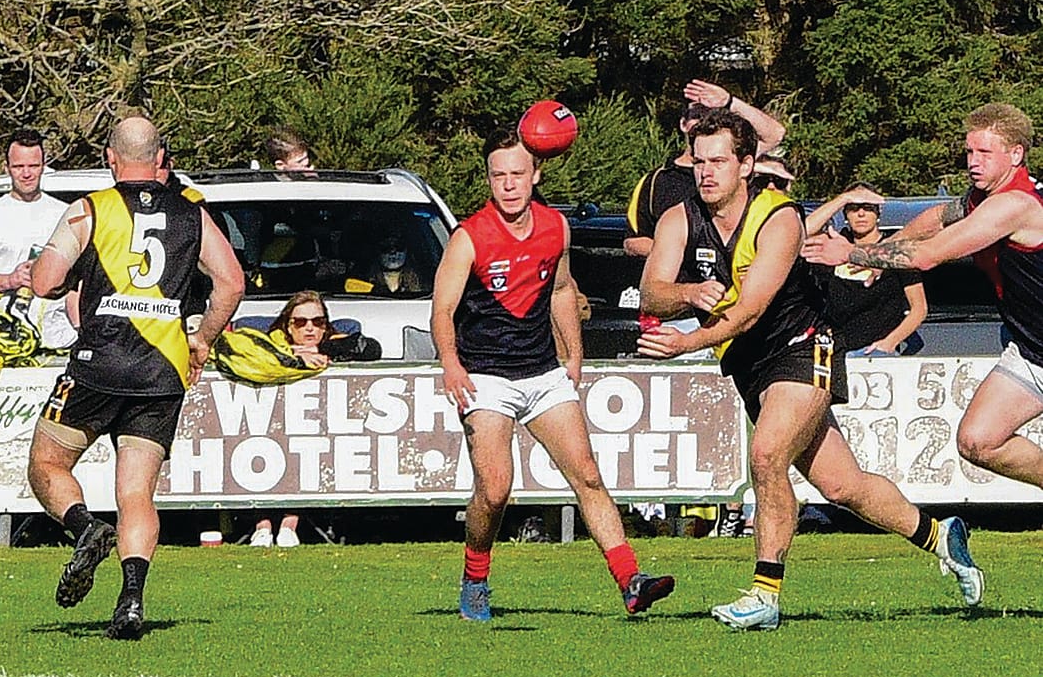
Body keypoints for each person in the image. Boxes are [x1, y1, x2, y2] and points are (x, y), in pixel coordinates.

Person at [637, 109, 982, 631]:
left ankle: (764, 594)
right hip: (750, 363)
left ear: (747, 164)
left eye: (718, 162)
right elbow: (651, 291)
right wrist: (686, 293)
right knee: (842, 486)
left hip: (803, 345)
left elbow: (750, 309)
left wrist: (688, 339)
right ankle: (941, 535)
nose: (706, 173)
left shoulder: (779, 217)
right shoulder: (679, 218)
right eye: (699, 162)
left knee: (768, 453)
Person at [430, 126, 675, 622]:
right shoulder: (469, 236)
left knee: (587, 474)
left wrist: (575, 353)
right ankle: (475, 578)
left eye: (517, 174)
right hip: (486, 377)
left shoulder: (555, 227)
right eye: (498, 175)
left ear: (536, 174)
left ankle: (631, 581)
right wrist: (451, 366)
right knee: (496, 488)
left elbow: (563, 289)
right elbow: (442, 309)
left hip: (542, 373)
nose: (508, 184)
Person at [26, 115, 244, 639]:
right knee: (137, 493)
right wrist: (202, 338)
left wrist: (67, 278)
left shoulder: (91, 210)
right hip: (161, 370)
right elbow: (231, 283)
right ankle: (130, 600)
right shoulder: (192, 215)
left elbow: (44, 281)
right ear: (160, 158)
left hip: (98, 364)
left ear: (110, 157)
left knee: (47, 463)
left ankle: (85, 529)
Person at [804, 102, 1043, 548]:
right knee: (978, 441)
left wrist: (854, 254)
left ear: (1015, 154)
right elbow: (936, 218)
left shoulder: (1014, 205)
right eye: (969, 152)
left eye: (984, 153)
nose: (973, 162)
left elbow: (929, 255)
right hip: (1032, 352)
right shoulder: (980, 199)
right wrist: (888, 248)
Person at [246, 290, 381, 548]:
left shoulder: (335, 342)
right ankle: (262, 527)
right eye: (300, 322)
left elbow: (371, 349)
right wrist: (291, 356)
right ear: (287, 325)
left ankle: (289, 525)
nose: (309, 328)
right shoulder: (269, 342)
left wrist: (321, 348)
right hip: (264, 421)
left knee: (306, 449)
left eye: (318, 322)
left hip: (316, 427)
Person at [624, 80, 787, 259]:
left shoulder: (733, 159)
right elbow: (633, 242)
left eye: (711, 113)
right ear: (683, 123)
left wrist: (730, 101)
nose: (705, 120)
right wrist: (685, 253)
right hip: (679, 282)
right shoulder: (657, 180)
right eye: (698, 114)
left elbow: (775, 134)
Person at [0, 128, 76, 349]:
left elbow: (80, 280)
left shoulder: (67, 214)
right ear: (7, 168)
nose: (26, 173)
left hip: (58, 339)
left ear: (44, 165)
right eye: (19, 167)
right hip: (2, 342)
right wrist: (9, 280)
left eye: (33, 166)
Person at [803, 183, 927, 355]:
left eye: (867, 208)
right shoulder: (835, 243)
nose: (861, 214)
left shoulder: (894, 251)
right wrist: (842, 198)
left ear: (878, 213)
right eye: (853, 208)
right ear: (845, 213)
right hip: (832, 349)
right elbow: (802, 233)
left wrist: (889, 343)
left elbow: (919, 308)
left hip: (876, 351)